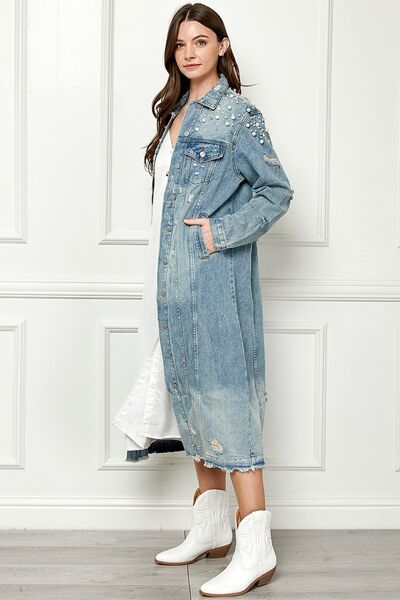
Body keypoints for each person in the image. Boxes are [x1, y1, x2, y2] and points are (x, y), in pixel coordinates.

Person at [115, 3, 294, 597]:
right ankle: (212, 525)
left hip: (214, 279)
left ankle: (256, 546)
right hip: (166, 279)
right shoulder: (175, 112)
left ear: (222, 45)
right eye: (180, 43)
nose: (189, 52)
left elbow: (276, 191)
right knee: (189, 392)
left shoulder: (238, 116)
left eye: (200, 41)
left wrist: (220, 232)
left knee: (226, 398)